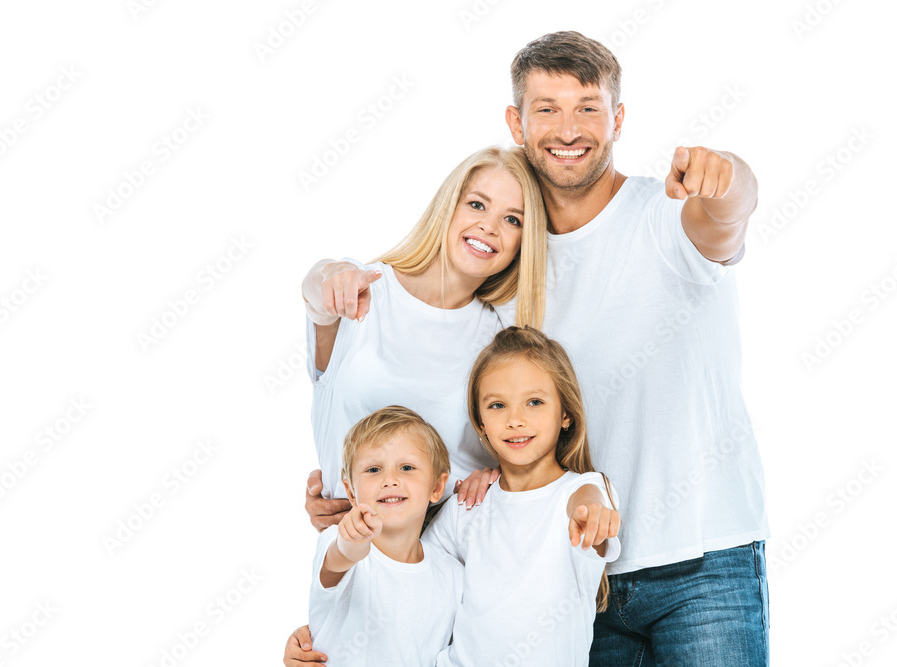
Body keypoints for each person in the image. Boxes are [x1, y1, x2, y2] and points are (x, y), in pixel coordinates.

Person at [290, 30, 769, 666]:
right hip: (569, 573)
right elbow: (430, 413)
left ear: (617, 119)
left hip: (704, 556)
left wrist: (729, 174)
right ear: (517, 122)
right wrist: (358, 482)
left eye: (587, 108)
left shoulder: (667, 215)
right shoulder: (502, 286)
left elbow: (729, 214)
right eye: (546, 109)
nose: (568, 129)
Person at [301, 145, 547, 531]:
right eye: (477, 205)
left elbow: (522, 443)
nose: (490, 227)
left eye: (513, 219)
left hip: (446, 558)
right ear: (448, 207)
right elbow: (316, 293)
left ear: (523, 241)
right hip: (350, 559)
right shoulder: (363, 292)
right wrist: (331, 271)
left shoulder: (498, 341)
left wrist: (497, 478)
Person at [424, 326, 620, 666]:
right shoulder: (469, 504)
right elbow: (410, 575)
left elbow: (588, 501)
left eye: (534, 402)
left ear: (565, 414)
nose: (515, 419)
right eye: (498, 405)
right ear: (481, 423)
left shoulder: (579, 491)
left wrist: (592, 513)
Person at [308, 406, 462, 666]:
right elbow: (338, 560)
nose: (390, 479)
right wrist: (351, 544)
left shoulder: (453, 575)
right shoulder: (337, 541)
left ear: (437, 487)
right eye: (373, 470)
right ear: (351, 491)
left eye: (407, 467)